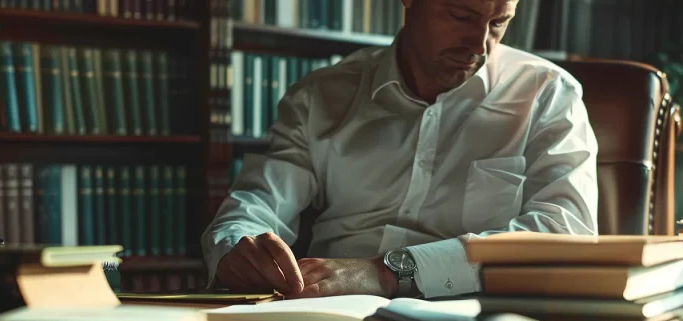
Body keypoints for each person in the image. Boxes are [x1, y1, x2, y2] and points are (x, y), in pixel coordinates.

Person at [201, 0, 599, 300]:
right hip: (323, 312)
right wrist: (239, 251)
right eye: (462, 16)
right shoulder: (320, 96)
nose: (480, 44)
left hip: (469, 315)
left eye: (499, 22)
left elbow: (567, 232)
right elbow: (256, 203)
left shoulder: (547, 94)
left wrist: (388, 271)